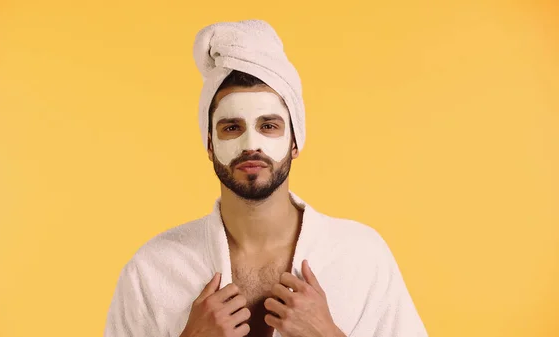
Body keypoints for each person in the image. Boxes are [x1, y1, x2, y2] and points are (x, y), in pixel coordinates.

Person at [104, 19, 428, 337]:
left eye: (268, 126)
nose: (250, 146)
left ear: (295, 139)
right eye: (232, 127)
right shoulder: (151, 270)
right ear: (208, 143)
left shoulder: (361, 258)